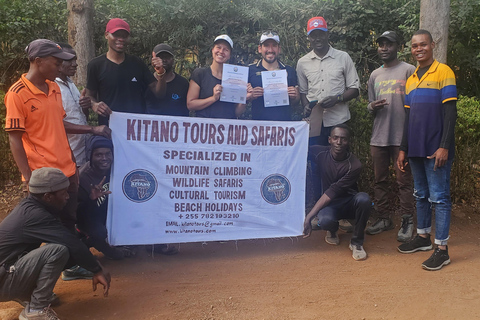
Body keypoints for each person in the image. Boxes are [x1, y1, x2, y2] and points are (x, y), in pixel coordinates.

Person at [4, 39, 110, 234]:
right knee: (47, 224)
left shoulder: (53, 88)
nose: (60, 67)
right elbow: (15, 139)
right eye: (56, 62)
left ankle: (71, 260)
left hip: (67, 170)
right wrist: (28, 177)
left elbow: (58, 126)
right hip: (43, 174)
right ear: (38, 61)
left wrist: (71, 162)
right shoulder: (17, 94)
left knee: (69, 219)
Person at [0, 167, 111, 320]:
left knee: (65, 251)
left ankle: (26, 293)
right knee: (57, 251)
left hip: (6, 270)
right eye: (64, 193)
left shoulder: (34, 206)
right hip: (3, 280)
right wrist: (97, 269)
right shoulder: (36, 216)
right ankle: (35, 310)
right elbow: (71, 243)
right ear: (48, 196)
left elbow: (74, 224)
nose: (67, 197)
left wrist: (91, 200)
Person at [396, 30, 457, 271]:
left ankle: (442, 250)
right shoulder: (411, 79)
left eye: (423, 44)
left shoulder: (444, 72)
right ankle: (423, 237)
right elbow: (408, 117)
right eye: (414, 46)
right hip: (416, 149)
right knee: (420, 194)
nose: (419, 48)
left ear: (432, 45)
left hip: (436, 148)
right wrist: (403, 149)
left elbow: (450, 113)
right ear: (410, 49)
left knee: (439, 198)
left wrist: (444, 146)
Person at [74, 136, 177, 260]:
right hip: (90, 216)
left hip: (114, 211)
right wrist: (92, 199)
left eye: (108, 154)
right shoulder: (83, 177)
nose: (104, 158)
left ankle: (153, 243)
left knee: (146, 202)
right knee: (99, 233)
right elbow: (78, 213)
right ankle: (82, 245)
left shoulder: (118, 167)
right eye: (99, 155)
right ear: (91, 156)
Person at [365, 31, 416, 242]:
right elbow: (369, 104)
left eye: (389, 44)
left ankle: (407, 220)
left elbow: (416, 103)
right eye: (381, 44)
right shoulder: (374, 75)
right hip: (379, 136)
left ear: (399, 47)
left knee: (404, 180)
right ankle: (384, 218)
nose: (384, 48)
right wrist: (371, 106)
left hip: (402, 137)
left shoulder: (409, 70)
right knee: (380, 180)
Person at [303, 124, 371, 261]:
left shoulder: (354, 164)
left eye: (343, 139)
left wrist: (309, 216)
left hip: (349, 203)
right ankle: (332, 229)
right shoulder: (320, 153)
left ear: (348, 141)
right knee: (325, 221)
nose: (339, 142)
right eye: (335, 138)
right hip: (330, 205)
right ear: (329, 140)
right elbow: (296, 148)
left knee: (364, 199)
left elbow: (332, 191)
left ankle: (356, 243)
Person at [86, 18, 165, 125]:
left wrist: (161, 73)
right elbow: (89, 95)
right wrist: (94, 105)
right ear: (106, 35)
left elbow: (159, 93)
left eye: (124, 36)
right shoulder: (95, 65)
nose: (121, 39)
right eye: (116, 35)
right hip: (108, 128)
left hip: (136, 129)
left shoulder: (137, 63)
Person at [296, 16, 360, 146]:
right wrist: (306, 107)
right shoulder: (302, 62)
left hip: (338, 121)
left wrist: (337, 98)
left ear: (327, 34)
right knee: (316, 160)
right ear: (309, 38)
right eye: (313, 35)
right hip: (315, 123)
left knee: (339, 161)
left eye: (321, 33)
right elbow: (303, 92)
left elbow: (355, 89)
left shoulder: (343, 57)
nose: (317, 38)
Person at [186, 35, 246, 118]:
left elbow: (236, 112)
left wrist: (244, 98)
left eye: (226, 50)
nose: (221, 51)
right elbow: (190, 104)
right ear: (212, 50)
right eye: (218, 47)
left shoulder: (235, 78)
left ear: (229, 55)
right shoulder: (200, 74)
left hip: (227, 129)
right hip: (204, 128)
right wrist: (213, 98)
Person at [246, 31, 300, 120]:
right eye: (266, 45)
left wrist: (294, 95)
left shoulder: (289, 70)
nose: (270, 50)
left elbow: (296, 101)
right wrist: (250, 96)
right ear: (260, 49)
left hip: (283, 128)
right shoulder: (250, 70)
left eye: (274, 45)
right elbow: (241, 101)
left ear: (279, 49)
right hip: (258, 128)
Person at [55, 43, 91, 167]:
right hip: (64, 158)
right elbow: (57, 124)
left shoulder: (70, 83)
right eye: (69, 60)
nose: (75, 64)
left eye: (75, 59)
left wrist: (84, 107)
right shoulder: (52, 87)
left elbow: (81, 118)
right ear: (57, 62)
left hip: (81, 155)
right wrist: (93, 129)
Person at [145, 43, 190, 116]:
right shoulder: (147, 81)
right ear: (153, 60)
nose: (164, 60)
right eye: (160, 57)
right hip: (150, 126)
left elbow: (186, 112)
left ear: (173, 60)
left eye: (167, 57)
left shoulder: (183, 83)